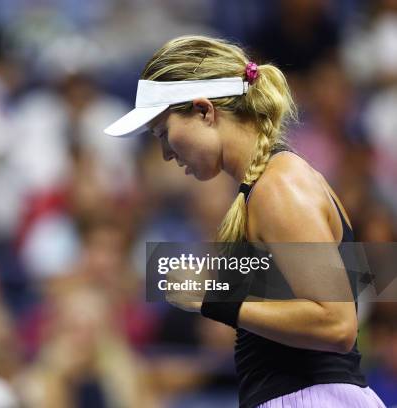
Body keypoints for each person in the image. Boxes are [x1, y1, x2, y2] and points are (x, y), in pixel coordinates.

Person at [104, 35, 386, 408]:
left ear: (204, 111)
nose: (166, 153)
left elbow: (336, 325)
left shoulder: (278, 185)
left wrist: (214, 299)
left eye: (163, 133)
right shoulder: (266, 186)